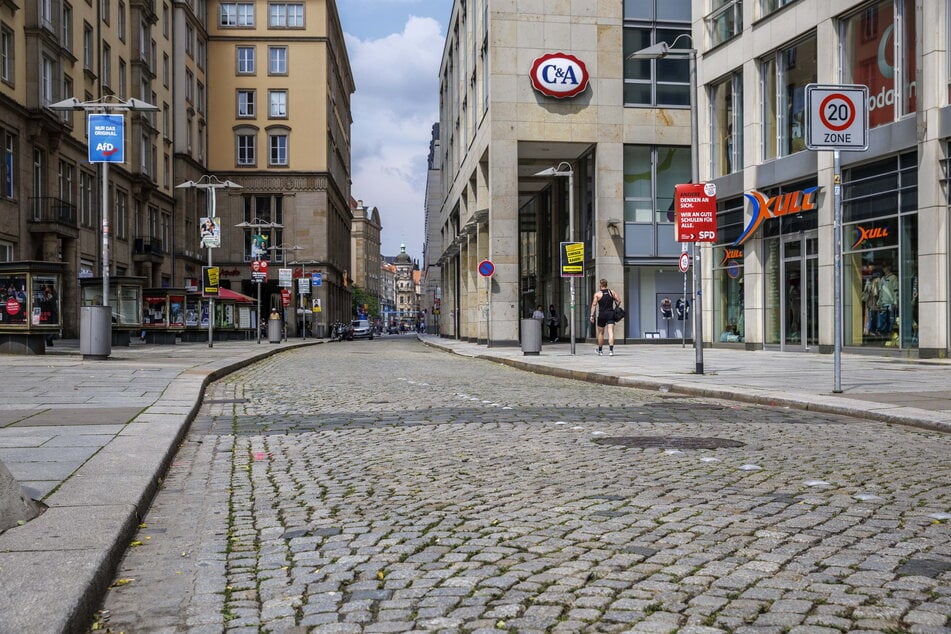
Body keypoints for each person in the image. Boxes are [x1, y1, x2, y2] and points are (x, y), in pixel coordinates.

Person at [589, 279, 620, 356]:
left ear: (600, 285)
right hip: (610, 313)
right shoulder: (611, 292)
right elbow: (619, 301)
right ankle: (611, 351)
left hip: (602, 314)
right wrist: (616, 307)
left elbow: (594, 305)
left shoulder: (597, 294)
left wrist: (592, 315)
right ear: (606, 284)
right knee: (611, 332)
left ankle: (600, 351)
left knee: (600, 333)